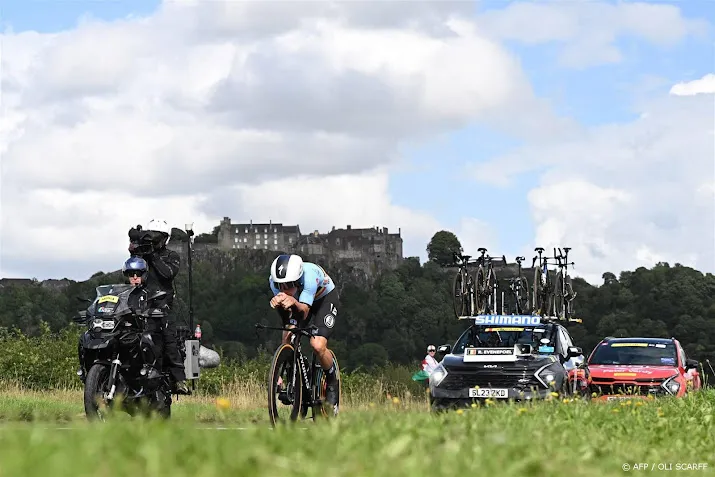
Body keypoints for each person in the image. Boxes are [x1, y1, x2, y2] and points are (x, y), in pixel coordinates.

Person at [269, 254, 340, 412]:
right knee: (287, 336)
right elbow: (287, 317)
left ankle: (332, 383)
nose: (284, 289)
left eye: (288, 285)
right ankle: (292, 378)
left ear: (298, 280)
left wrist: (293, 302)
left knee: (317, 344)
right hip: (299, 302)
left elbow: (304, 312)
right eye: (280, 286)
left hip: (324, 299)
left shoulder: (309, 277)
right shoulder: (274, 282)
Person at [128, 219, 189, 395]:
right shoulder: (141, 255)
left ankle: (179, 380)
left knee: (169, 340)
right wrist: (134, 241)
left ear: (165, 239)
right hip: (138, 305)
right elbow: (130, 268)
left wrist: (153, 254)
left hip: (162, 307)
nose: (152, 241)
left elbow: (167, 274)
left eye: (156, 238)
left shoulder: (171, 256)